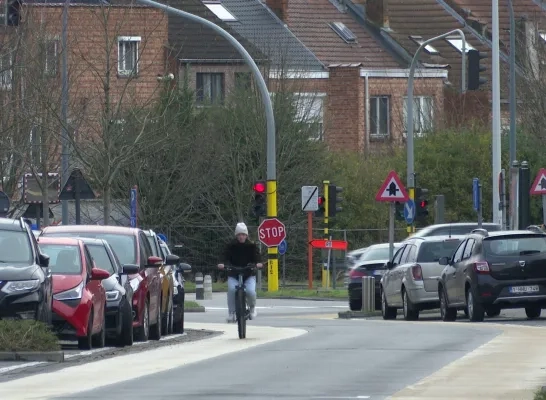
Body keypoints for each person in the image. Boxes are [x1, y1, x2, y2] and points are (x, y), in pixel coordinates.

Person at [218, 222, 263, 323]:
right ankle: (232, 313)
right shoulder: (230, 246)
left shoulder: (252, 246)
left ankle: (252, 308)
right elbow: (224, 256)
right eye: (239, 234)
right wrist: (222, 263)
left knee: (251, 292)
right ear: (236, 235)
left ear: (246, 235)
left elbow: (258, 258)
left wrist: (258, 263)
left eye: (243, 234)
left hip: (249, 274)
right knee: (231, 290)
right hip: (234, 274)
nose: (241, 237)